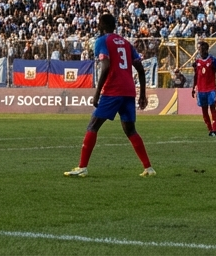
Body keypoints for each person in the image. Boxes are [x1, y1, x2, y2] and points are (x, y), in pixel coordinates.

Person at [64, 13, 154, 178]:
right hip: (128, 90)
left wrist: (97, 93)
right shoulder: (126, 43)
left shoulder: (102, 41)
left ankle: (82, 167)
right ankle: (148, 168)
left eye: (98, 23)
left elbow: (105, 66)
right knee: (130, 130)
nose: (97, 26)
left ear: (103, 25)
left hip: (113, 90)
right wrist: (142, 94)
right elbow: (140, 69)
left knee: (93, 126)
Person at [191, 39, 216, 136]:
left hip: (211, 88)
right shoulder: (197, 61)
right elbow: (196, 75)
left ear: (205, 49)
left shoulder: (213, 60)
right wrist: (193, 87)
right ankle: (210, 129)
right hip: (201, 90)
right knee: (204, 111)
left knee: (213, 108)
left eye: (200, 48)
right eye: (198, 49)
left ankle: (215, 129)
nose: (199, 50)